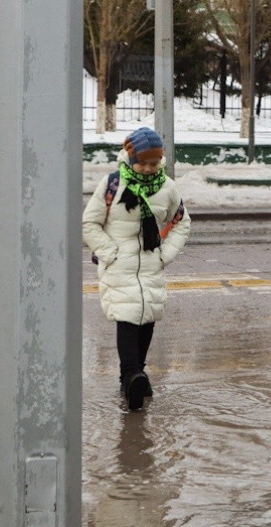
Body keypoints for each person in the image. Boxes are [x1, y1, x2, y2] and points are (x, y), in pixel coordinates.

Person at [83, 126, 191, 411]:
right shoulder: (112, 185)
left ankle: (134, 376)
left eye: (154, 163)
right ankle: (132, 376)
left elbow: (181, 222)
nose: (147, 168)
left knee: (147, 318)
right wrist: (110, 253)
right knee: (128, 319)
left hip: (151, 266)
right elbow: (89, 224)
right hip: (120, 265)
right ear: (130, 160)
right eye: (142, 162)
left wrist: (164, 255)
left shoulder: (166, 187)